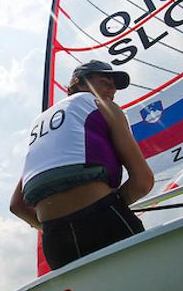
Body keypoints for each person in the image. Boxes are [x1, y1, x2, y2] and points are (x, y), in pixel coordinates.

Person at [10, 59, 154, 270]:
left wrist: (58, 226)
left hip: (55, 241)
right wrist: (108, 207)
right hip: (104, 221)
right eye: (106, 81)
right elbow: (143, 182)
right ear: (78, 81)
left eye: (114, 86)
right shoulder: (103, 106)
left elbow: (16, 205)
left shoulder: (39, 123)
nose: (112, 89)